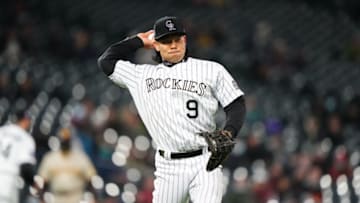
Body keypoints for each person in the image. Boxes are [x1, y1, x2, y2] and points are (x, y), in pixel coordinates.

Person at [98, 16, 246, 203]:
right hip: (168, 167)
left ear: (185, 40)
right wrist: (139, 40)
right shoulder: (141, 76)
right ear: (156, 45)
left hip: (205, 161)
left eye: (177, 40)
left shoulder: (211, 70)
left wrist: (229, 131)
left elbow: (236, 104)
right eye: (167, 41)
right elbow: (106, 61)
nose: (173, 45)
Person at [37, 127, 97, 203]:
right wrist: (42, 199)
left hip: (76, 197)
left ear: (70, 141)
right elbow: (42, 182)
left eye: (66, 140)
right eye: (63, 140)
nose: (65, 142)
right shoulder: (50, 158)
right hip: (56, 197)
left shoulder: (80, 158)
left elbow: (90, 180)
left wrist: (94, 198)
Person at [0, 110, 38, 203]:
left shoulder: (1, 131)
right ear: (25, 120)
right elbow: (26, 167)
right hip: (8, 181)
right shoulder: (26, 138)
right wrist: (34, 183)